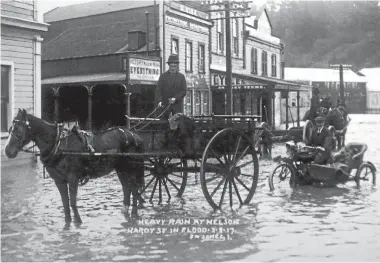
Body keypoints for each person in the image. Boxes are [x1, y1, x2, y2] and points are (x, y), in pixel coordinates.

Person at [155, 54, 187, 119]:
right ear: (169, 65)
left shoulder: (181, 77)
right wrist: (160, 101)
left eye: (175, 65)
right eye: (171, 65)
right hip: (165, 105)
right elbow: (158, 90)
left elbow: (184, 91)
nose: (173, 67)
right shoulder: (163, 76)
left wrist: (175, 98)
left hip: (177, 106)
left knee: (178, 124)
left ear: (177, 66)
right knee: (163, 124)